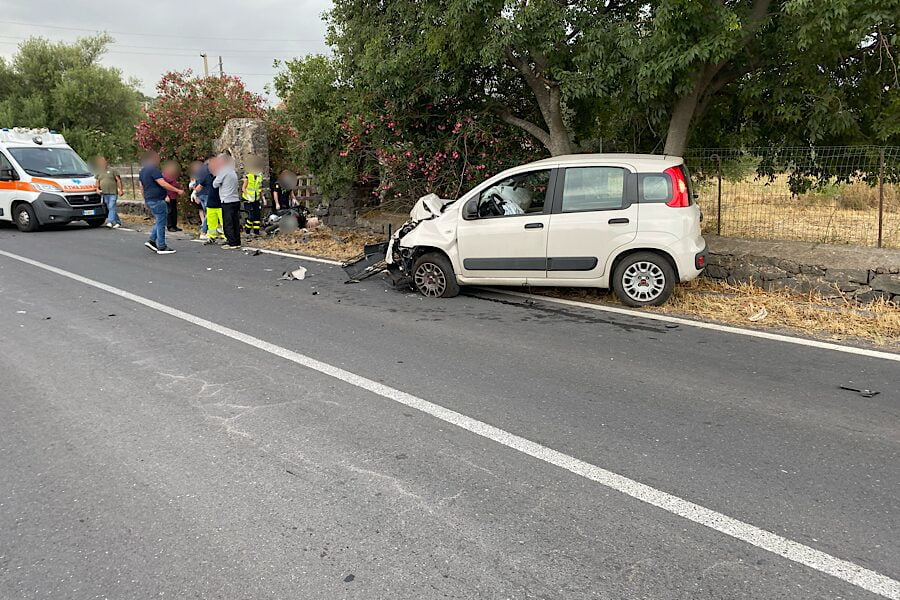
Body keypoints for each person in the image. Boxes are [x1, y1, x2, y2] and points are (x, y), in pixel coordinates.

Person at [138, 151, 183, 254]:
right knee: (161, 222)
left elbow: (141, 187)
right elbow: (162, 183)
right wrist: (177, 190)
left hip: (150, 199)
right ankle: (162, 246)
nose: (159, 160)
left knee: (160, 220)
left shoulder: (143, 171)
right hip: (157, 199)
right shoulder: (154, 170)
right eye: (158, 158)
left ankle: (152, 241)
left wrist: (145, 199)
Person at [214, 154, 241, 249]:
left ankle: (231, 242)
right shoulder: (233, 171)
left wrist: (216, 175)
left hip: (227, 200)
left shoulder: (223, 171)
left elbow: (215, 184)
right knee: (235, 222)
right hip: (235, 199)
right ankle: (237, 241)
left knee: (228, 223)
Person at [94, 155, 123, 228]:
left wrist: (120, 189)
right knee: (110, 208)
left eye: (103, 161)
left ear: (106, 162)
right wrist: (97, 189)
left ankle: (109, 221)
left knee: (111, 206)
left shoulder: (113, 170)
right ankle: (118, 222)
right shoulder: (98, 171)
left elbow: (118, 180)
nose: (102, 163)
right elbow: (97, 181)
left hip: (113, 192)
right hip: (104, 193)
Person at [203, 155, 224, 245]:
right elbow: (201, 184)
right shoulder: (208, 176)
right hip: (210, 203)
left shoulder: (221, 176)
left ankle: (225, 237)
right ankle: (211, 237)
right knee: (211, 223)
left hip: (220, 203)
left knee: (223, 222)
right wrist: (195, 192)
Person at [241, 159, 264, 237]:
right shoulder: (248, 177)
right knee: (251, 216)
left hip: (256, 200)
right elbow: (243, 188)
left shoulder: (259, 177)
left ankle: (256, 232)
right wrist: (248, 196)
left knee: (257, 216)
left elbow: (260, 189)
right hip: (248, 200)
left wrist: (262, 198)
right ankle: (247, 232)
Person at [162, 161, 183, 226]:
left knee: (174, 211)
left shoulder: (173, 176)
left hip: (174, 196)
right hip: (168, 196)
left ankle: (174, 225)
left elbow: (175, 184)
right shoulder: (164, 176)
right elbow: (163, 186)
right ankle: (170, 225)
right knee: (169, 211)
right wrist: (166, 196)